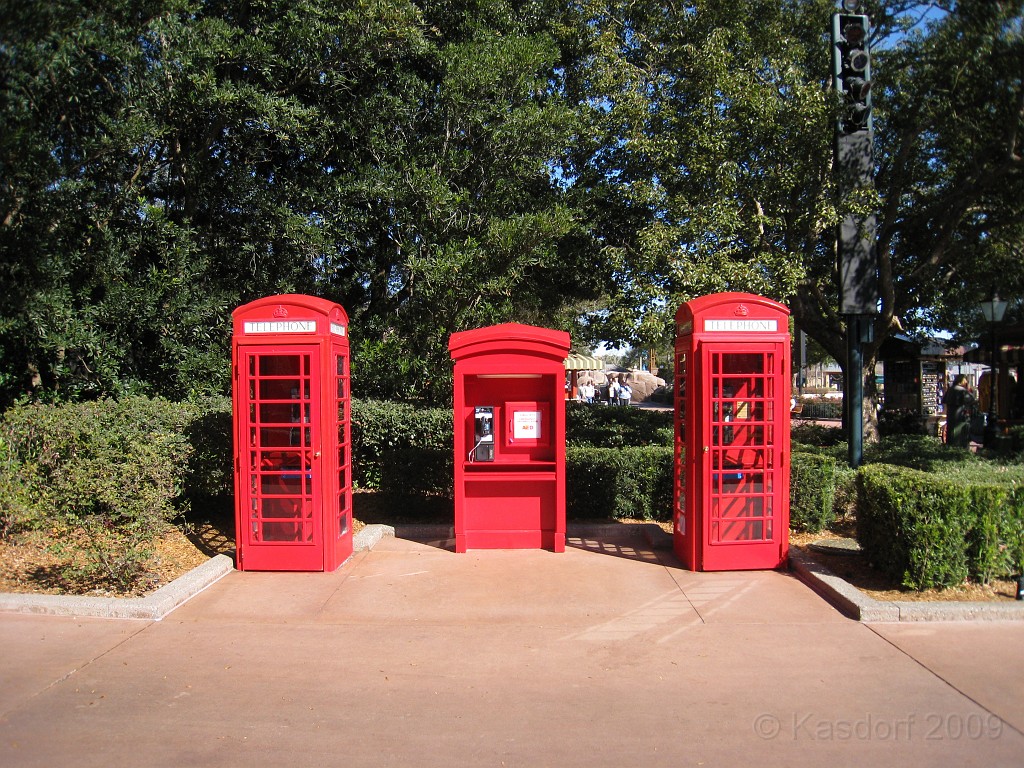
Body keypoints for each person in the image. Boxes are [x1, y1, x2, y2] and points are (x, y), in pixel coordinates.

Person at [942, 374, 976, 447]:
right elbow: (972, 400)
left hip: (951, 416)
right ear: (962, 380)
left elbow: (945, 400)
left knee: (951, 433)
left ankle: (950, 446)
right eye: (965, 380)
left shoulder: (950, 389)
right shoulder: (962, 390)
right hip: (960, 417)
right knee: (960, 436)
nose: (966, 381)